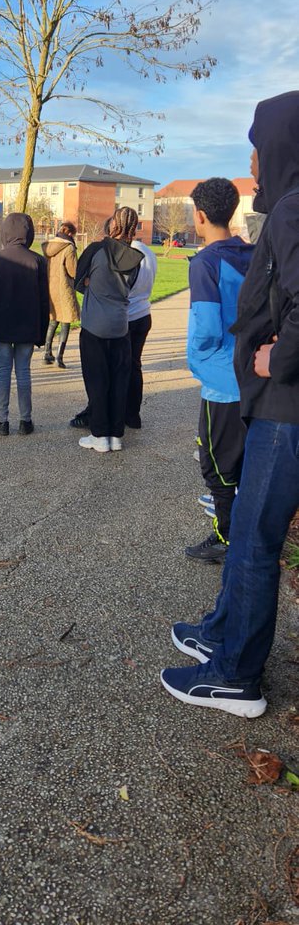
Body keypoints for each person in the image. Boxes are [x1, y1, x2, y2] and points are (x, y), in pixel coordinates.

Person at [161, 91, 299, 718]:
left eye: (257, 146)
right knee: (244, 527)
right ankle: (222, 632)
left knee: (254, 540)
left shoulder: (292, 212)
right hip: (274, 404)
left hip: (285, 409)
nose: (252, 162)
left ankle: (235, 676)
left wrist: (278, 358)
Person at [184, 178, 253, 564]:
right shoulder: (254, 254)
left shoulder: (206, 262)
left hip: (222, 381)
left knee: (217, 465)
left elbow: (208, 327)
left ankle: (227, 539)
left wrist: (197, 359)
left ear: (200, 215)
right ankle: (244, 529)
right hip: (254, 375)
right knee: (245, 462)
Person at [69, 209, 156, 431]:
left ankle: (99, 428)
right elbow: (131, 284)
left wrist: (91, 283)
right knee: (123, 375)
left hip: (100, 321)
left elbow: (79, 281)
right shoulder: (138, 255)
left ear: (113, 225)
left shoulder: (98, 250)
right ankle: (123, 424)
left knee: (98, 377)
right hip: (127, 318)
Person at [0, 212, 49, 436]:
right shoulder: (38, 261)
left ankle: (2, 420)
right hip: (28, 325)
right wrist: (42, 333)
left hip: (1, 325)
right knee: (24, 371)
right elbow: (44, 301)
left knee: (3, 371)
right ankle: (25, 420)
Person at [125, 226, 157, 430]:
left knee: (120, 367)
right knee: (135, 365)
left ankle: (119, 411)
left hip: (128, 314)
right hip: (144, 312)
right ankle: (133, 414)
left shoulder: (128, 253)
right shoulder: (149, 252)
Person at [41, 221, 80, 368]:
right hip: (64, 288)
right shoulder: (69, 247)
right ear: (69, 233)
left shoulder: (48, 246)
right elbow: (73, 271)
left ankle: (47, 353)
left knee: (53, 321)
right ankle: (59, 357)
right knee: (65, 321)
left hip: (50, 287)